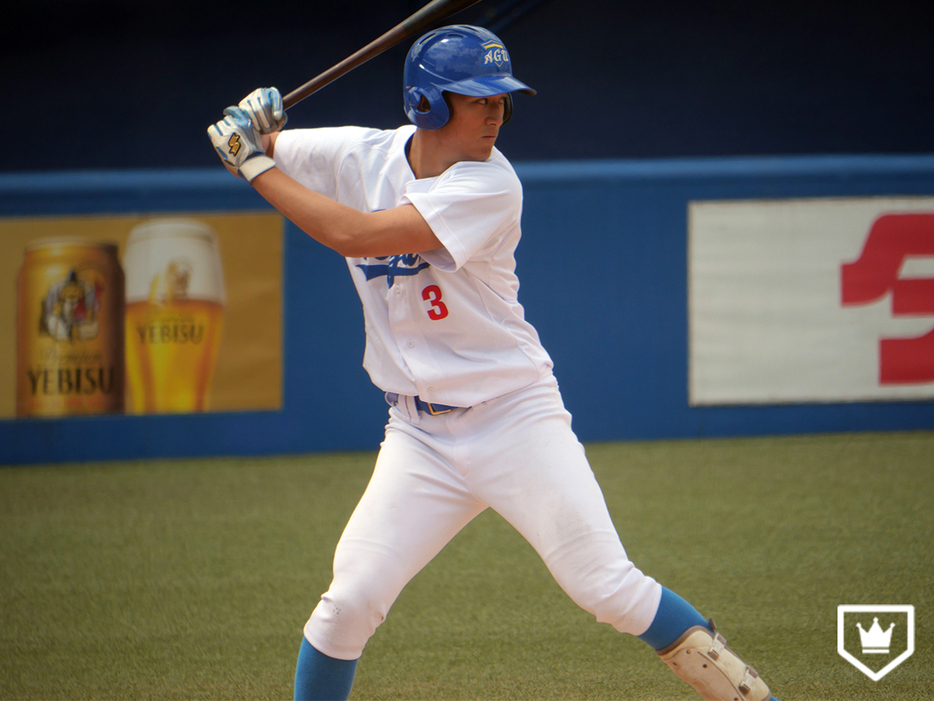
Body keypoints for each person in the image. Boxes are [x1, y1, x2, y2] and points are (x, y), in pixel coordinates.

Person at [208, 24, 779, 701]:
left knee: (607, 587)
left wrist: (252, 161)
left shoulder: (491, 185)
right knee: (348, 602)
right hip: (417, 434)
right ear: (426, 104)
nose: (495, 114)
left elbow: (350, 234)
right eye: (477, 100)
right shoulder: (360, 154)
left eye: (501, 100)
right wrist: (250, 125)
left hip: (513, 417)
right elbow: (253, 145)